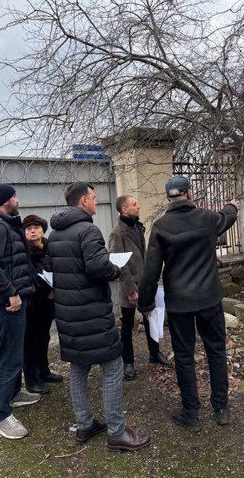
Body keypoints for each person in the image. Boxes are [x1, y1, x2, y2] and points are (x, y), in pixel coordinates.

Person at [48, 182, 150, 451]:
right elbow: (97, 267)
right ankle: (117, 432)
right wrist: (114, 269)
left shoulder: (55, 234)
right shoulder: (88, 230)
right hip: (91, 312)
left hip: (68, 314)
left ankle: (84, 424)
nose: (96, 201)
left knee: (78, 367)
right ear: (83, 201)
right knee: (113, 366)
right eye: (93, 197)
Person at [138, 176, 240, 433]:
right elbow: (226, 218)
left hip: (179, 303)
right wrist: (232, 206)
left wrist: (145, 303)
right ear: (189, 193)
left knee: (184, 357)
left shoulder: (161, 227)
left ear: (168, 197)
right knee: (216, 351)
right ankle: (221, 408)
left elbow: (151, 270)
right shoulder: (207, 219)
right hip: (210, 298)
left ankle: (191, 413)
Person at [0, 182, 40, 440]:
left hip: (12, 297)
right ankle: (0, 416)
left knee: (14, 350)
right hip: (7, 301)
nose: (17, 199)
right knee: (10, 357)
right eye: (14, 196)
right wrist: (11, 291)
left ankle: (13, 394)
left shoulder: (4, 222)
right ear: (6, 201)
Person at [109, 194, 172, 380]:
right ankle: (128, 362)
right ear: (124, 209)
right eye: (134, 204)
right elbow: (119, 265)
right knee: (127, 325)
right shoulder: (117, 232)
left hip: (145, 283)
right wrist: (131, 290)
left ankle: (155, 353)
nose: (138, 206)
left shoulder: (137, 226)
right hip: (129, 286)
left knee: (150, 318)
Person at [22, 214, 64, 395]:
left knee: (44, 337)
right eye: (29, 229)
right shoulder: (24, 251)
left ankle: (44, 372)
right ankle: (31, 380)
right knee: (30, 342)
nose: (33, 231)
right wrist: (46, 289)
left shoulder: (49, 248)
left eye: (36, 228)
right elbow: (26, 277)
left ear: (43, 230)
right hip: (32, 303)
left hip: (48, 303)